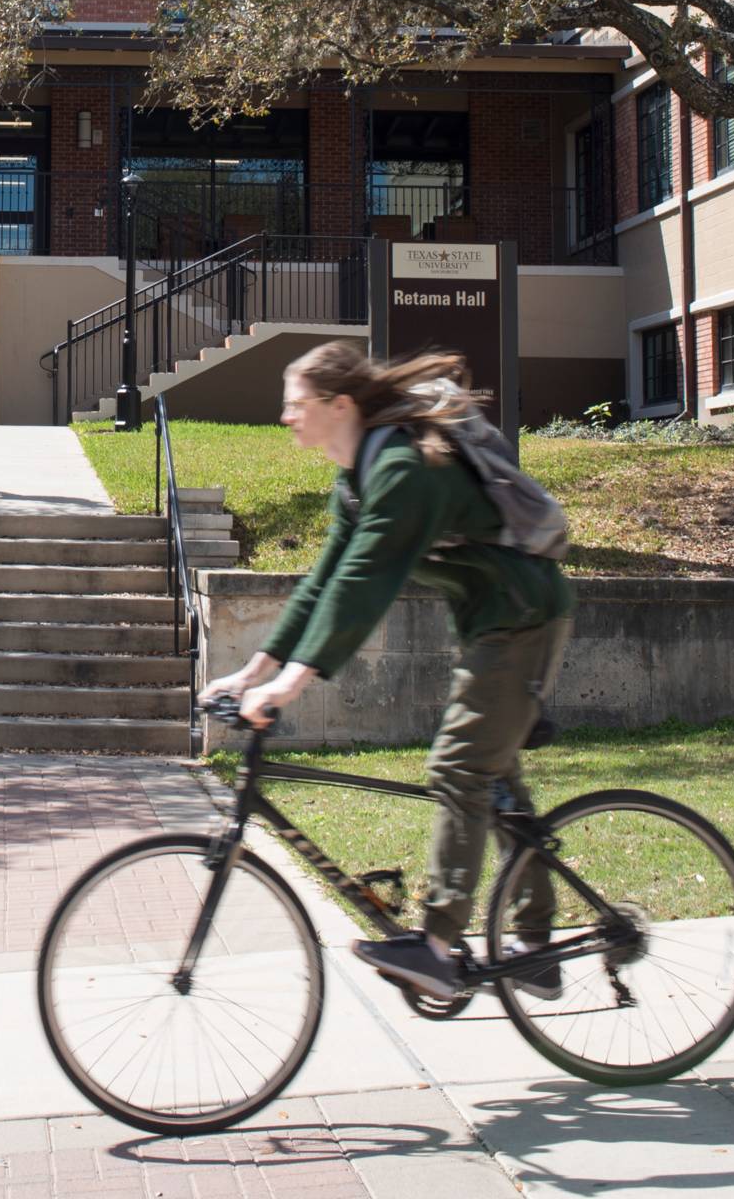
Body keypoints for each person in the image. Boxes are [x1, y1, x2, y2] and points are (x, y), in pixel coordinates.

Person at [199, 340, 574, 1004]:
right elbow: (325, 582)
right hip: (493, 623)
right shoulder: (358, 479)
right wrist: (250, 671)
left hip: (524, 618)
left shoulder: (403, 470)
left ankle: (435, 946)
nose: (286, 417)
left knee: (459, 768)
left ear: (338, 404)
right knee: (492, 780)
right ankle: (536, 948)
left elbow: (364, 587)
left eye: (295, 404)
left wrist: (287, 687)